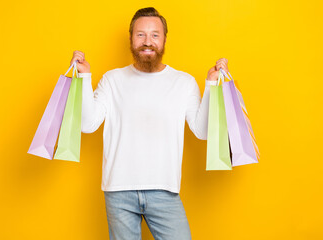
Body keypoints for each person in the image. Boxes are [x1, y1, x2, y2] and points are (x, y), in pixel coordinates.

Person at [70, 7, 229, 240]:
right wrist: (84, 77)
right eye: (140, 34)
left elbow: (202, 131)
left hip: (164, 190)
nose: (147, 41)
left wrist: (212, 85)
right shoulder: (112, 80)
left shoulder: (183, 82)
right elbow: (87, 124)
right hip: (118, 191)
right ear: (131, 39)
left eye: (155, 35)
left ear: (164, 39)